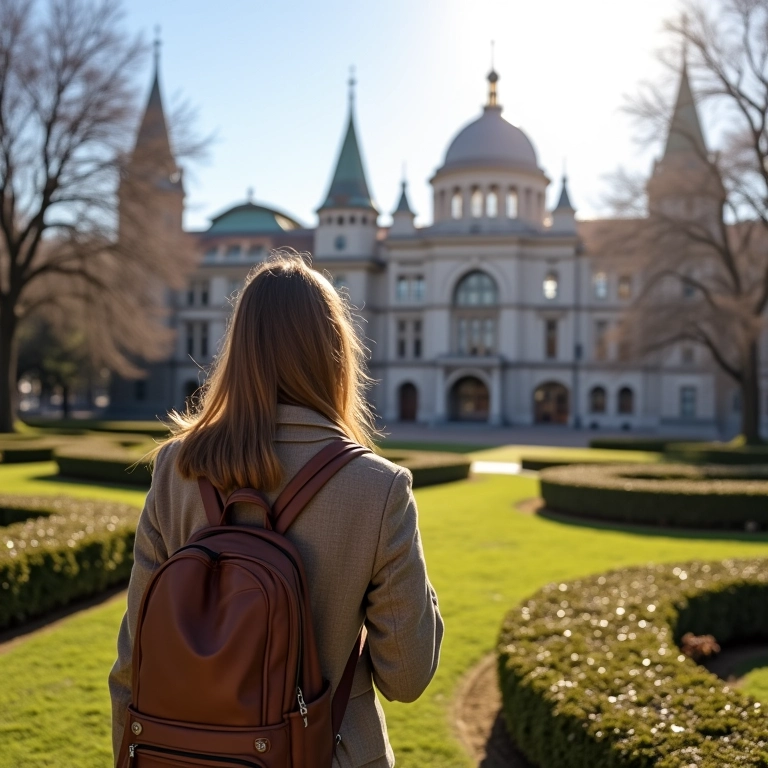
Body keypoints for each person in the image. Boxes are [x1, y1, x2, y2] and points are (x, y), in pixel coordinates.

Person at [108, 251, 444, 768]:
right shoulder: (378, 488)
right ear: (334, 353)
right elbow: (406, 676)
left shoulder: (177, 468)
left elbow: (134, 663)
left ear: (237, 348)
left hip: (183, 755)